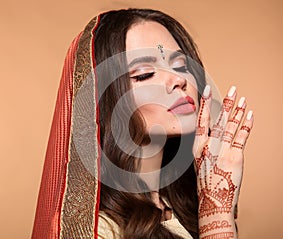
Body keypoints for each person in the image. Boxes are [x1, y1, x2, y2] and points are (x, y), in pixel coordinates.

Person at [32, 8, 254, 239]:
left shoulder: (186, 207)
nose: (178, 80)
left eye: (180, 65)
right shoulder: (99, 230)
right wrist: (216, 217)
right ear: (108, 100)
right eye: (145, 74)